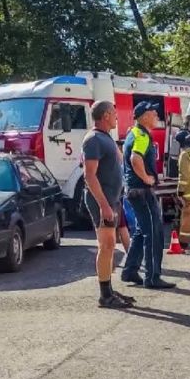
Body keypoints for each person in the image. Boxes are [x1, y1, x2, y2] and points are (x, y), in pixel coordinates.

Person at [81, 101, 135, 309]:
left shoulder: (105, 138)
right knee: (106, 246)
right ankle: (105, 295)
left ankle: (109, 289)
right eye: (114, 113)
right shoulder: (93, 139)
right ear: (105, 116)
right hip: (102, 202)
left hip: (112, 200)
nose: (116, 117)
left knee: (110, 246)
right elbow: (89, 176)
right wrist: (104, 205)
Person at [122, 101, 175, 289]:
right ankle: (152, 277)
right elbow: (135, 158)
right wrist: (146, 178)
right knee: (153, 233)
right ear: (144, 116)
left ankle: (130, 271)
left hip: (135, 191)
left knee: (140, 232)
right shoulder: (142, 135)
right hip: (142, 191)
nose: (157, 117)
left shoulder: (133, 133)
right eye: (154, 114)